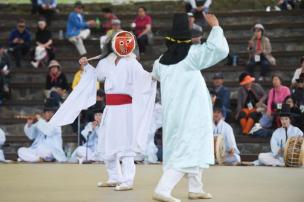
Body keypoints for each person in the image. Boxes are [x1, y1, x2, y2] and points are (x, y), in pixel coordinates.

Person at [50, 31, 156, 191]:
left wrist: (155, 75)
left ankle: (127, 180)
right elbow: (97, 76)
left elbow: (145, 79)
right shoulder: (106, 62)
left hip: (125, 110)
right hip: (110, 109)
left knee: (126, 144)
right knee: (107, 142)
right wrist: (86, 66)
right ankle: (114, 177)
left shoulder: (133, 64)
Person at [151, 13, 229, 202]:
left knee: (193, 145)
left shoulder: (160, 61)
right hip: (192, 111)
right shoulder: (192, 56)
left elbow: (155, 76)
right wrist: (216, 26)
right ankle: (162, 189)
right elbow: (218, 49)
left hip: (173, 113)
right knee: (188, 148)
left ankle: (195, 188)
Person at [17, 99, 67, 163]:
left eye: (50, 112)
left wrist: (39, 119)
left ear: (54, 113)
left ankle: (30, 159)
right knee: (21, 150)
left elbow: (49, 131)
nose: (47, 114)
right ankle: (37, 159)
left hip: (50, 151)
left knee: (45, 152)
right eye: (46, 112)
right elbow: (31, 136)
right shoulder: (40, 123)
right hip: (37, 150)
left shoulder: (56, 124)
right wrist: (29, 124)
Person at [213, 99, 240, 165]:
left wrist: (232, 149)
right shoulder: (207, 126)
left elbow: (231, 143)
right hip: (210, 153)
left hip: (223, 153)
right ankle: (214, 160)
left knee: (235, 158)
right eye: (214, 112)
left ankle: (215, 160)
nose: (216, 114)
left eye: (218, 112)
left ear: (222, 114)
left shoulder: (227, 127)